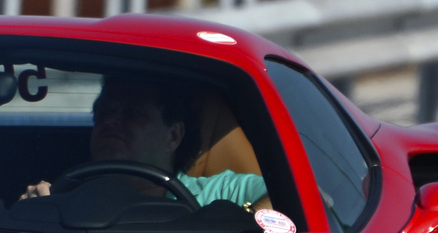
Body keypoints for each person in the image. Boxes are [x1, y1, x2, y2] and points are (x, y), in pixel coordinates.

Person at [21, 76, 268, 209]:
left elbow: (292, 200)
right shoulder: (62, 198)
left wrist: (240, 223)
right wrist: (35, 211)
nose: (112, 121)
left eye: (132, 114)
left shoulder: (221, 193)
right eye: (104, 112)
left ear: (173, 136)